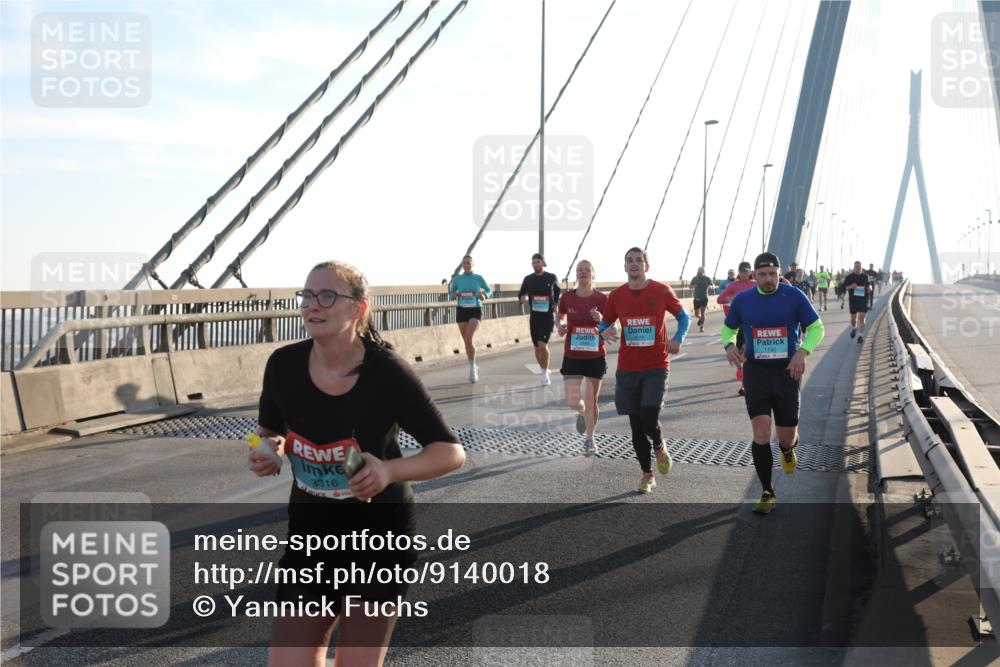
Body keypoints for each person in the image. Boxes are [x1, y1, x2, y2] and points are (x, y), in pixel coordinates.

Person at [250, 260, 465, 667]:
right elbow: (269, 429)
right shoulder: (282, 365)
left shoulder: (387, 372)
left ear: (358, 308)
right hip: (311, 537)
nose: (312, 305)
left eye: (327, 296)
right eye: (307, 295)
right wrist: (268, 450)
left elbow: (450, 451)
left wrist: (388, 471)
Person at [721, 252, 825, 514]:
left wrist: (803, 351)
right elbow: (729, 328)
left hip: (787, 372)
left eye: (773, 274)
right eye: (763, 274)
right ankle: (767, 491)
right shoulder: (743, 300)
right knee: (761, 432)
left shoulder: (794, 296)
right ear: (754, 275)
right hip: (756, 372)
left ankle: (787, 451)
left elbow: (817, 328)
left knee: (786, 437)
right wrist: (729, 345)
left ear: (779, 273)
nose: (768, 279)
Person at [599, 247, 690, 494]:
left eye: (639, 260)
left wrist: (678, 338)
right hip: (628, 368)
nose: (634, 263)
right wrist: (603, 331)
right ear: (624, 266)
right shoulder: (616, 295)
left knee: (649, 417)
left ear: (646, 266)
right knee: (636, 426)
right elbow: (604, 324)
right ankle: (647, 475)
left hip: (656, 365)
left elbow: (684, 317)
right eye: (630, 260)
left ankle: (659, 445)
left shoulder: (661, 291)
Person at [557, 260, 608, 455]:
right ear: (576, 275)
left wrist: (601, 320)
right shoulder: (567, 297)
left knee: (591, 400)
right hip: (573, 355)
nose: (583, 272)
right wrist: (560, 326)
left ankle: (590, 439)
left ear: (593, 274)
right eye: (579, 270)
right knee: (572, 400)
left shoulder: (602, 299)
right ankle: (581, 411)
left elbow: (612, 324)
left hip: (595, 356)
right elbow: (560, 316)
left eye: (587, 270)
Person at [518, 253, 561, 386]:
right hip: (534, 317)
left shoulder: (551, 277)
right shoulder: (528, 279)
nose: (535, 264)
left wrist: (556, 304)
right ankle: (544, 369)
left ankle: (544, 373)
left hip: (547, 316)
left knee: (542, 344)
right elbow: (521, 294)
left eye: (537, 262)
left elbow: (557, 291)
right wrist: (523, 298)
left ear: (543, 263)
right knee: (537, 347)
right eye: (533, 262)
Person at [448, 255, 492, 383]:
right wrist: (454, 294)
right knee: (467, 343)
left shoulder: (478, 278)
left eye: (468, 263)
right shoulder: (457, 279)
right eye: (464, 263)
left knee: (468, 338)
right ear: (462, 265)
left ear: (473, 264)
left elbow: (489, 290)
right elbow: (451, 295)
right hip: (462, 310)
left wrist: (484, 295)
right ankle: (473, 365)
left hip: (475, 310)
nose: (466, 265)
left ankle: (472, 370)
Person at [717, 261, 757, 395]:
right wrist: (733, 299)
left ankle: (744, 384)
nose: (743, 273)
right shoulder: (734, 285)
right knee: (740, 352)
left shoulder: (756, 284)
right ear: (738, 272)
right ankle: (741, 372)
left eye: (746, 271)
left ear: (750, 272)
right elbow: (720, 299)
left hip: (753, 323)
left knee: (748, 351)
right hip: (739, 323)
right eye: (741, 271)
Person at [843, 261, 872, 344]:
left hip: (863, 299)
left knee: (862, 317)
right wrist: (851, 286)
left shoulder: (865, 276)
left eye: (859, 266)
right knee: (853, 319)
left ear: (861, 267)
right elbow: (844, 287)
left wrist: (870, 288)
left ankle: (860, 336)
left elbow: (869, 284)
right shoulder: (849, 277)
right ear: (854, 267)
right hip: (853, 300)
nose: (858, 268)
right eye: (856, 266)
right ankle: (854, 328)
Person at [689, 267, 714, 332]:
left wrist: (710, 286)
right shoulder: (695, 278)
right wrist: (693, 286)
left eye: (701, 272)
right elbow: (690, 286)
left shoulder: (707, 278)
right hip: (696, 298)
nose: (700, 273)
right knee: (696, 315)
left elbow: (712, 285)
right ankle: (700, 318)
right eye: (699, 272)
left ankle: (701, 327)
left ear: (703, 272)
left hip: (704, 298)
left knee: (703, 312)